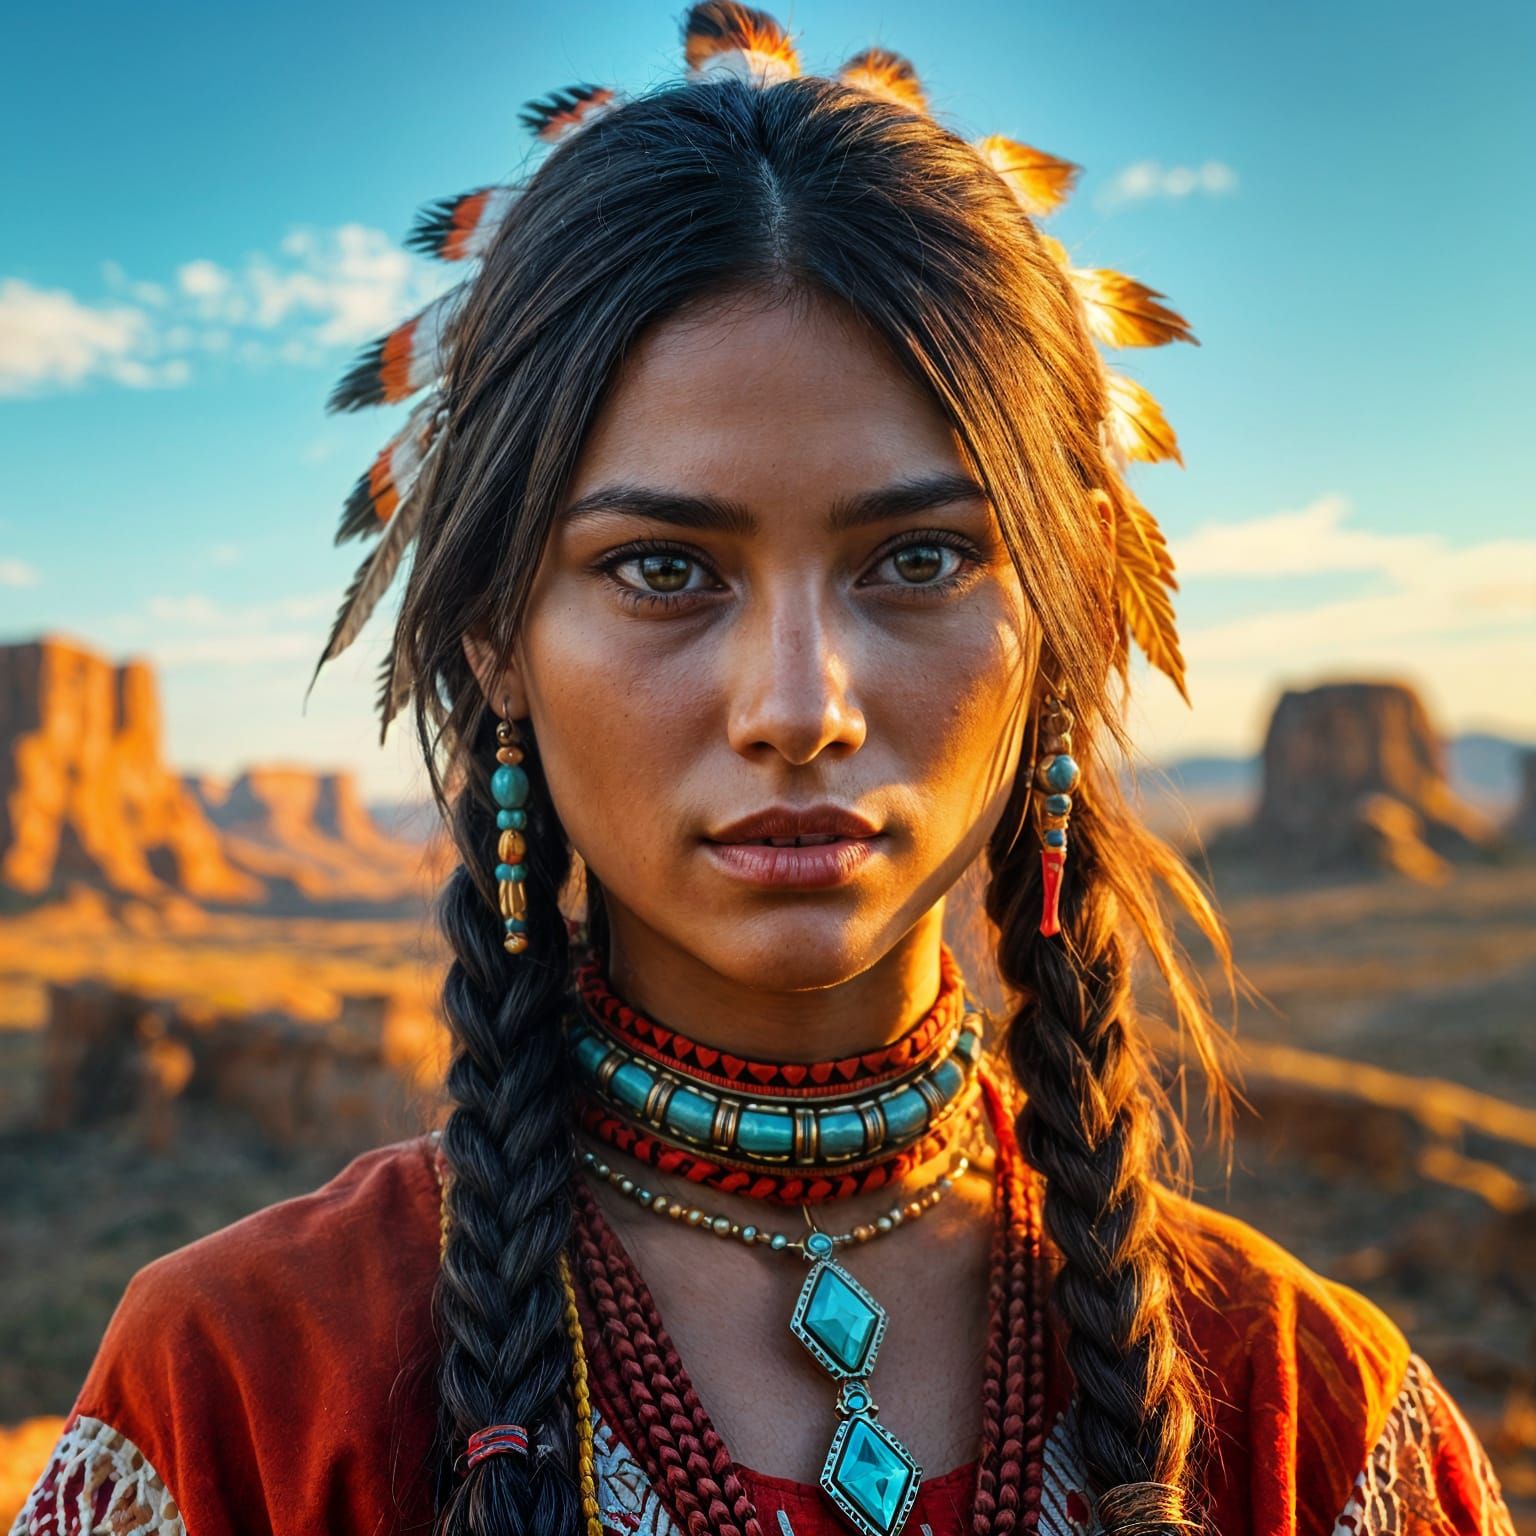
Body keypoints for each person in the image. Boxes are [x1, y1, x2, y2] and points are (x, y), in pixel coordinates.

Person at [11, 8, 1516, 1536]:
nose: (800, 707)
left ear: (1059, 628)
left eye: (919, 559)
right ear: (494, 640)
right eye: (664, 568)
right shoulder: (241, 1394)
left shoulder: (1313, 1416)